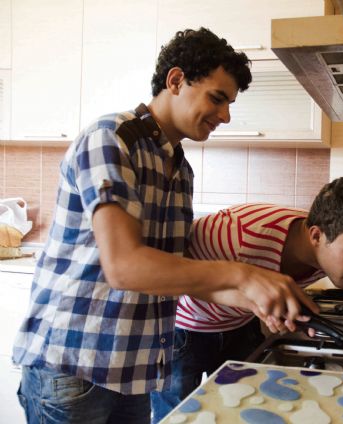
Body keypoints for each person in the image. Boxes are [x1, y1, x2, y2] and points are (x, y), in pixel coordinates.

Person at [12, 27, 316, 424]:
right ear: (176, 81)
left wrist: (257, 301)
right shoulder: (111, 139)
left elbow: (171, 274)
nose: (225, 115)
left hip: (134, 372)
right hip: (74, 368)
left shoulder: (179, 168)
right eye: (217, 98)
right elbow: (125, 267)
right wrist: (244, 275)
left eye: (229, 104)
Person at [150, 176, 343, 422]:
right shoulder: (239, 235)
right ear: (316, 236)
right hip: (184, 331)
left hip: (240, 326)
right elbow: (172, 275)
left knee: (239, 411)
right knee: (174, 416)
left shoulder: (329, 250)